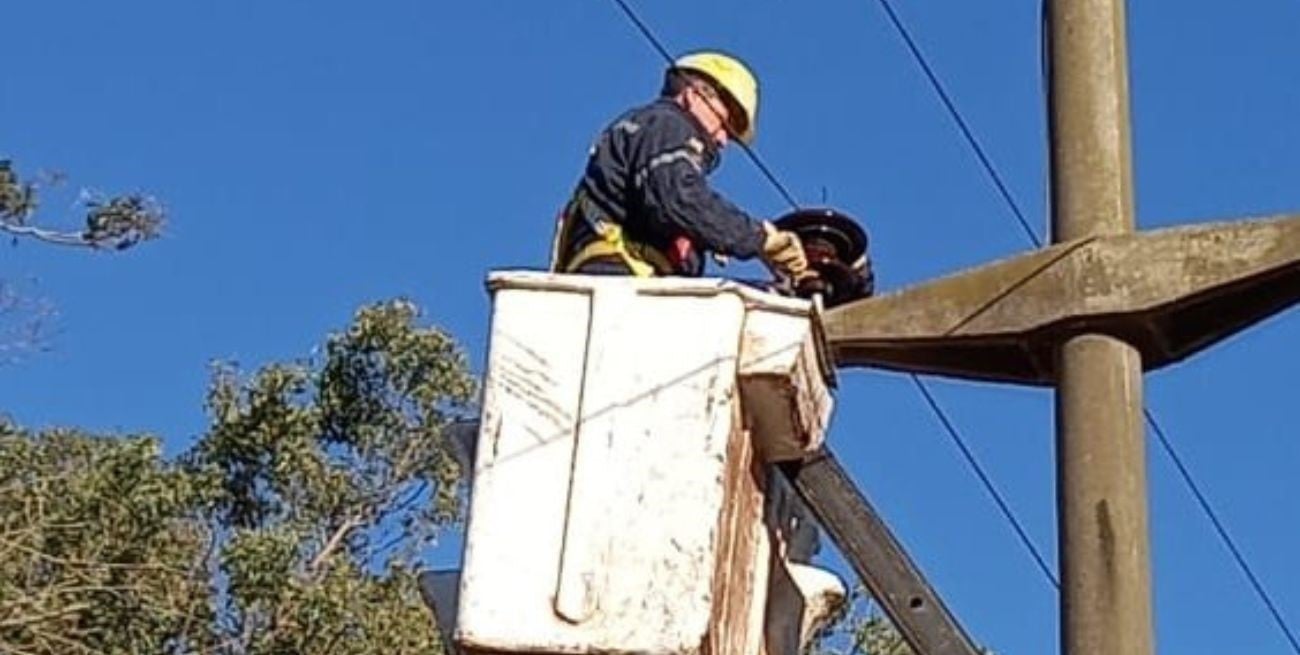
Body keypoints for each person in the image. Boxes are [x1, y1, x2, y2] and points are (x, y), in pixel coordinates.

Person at [549, 51, 814, 281]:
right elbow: (680, 197)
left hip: (622, 285)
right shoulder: (666, 124)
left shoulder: (647, 132)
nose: (723, 140)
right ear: (694, 94)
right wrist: (760, 238)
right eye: (725, 123)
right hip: (618, 284)